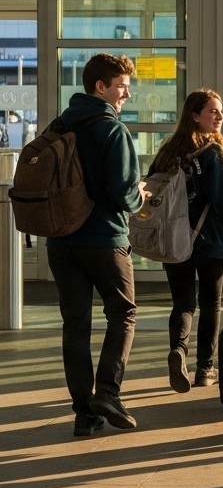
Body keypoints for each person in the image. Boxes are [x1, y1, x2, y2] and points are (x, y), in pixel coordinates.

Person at [46, 53, 146, 436]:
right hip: (104, 239)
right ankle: (107, 391)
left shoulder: (58, 125)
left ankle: (84, 413)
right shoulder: (111, 130)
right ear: (100, 87)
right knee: (123, 314)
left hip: (61, 241)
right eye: (121, 86)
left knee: (75, 325)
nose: (127, 93)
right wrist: (139, 194)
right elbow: (123, 194)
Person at [148, 89, 223, 393]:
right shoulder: (214, 153)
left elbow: (150, 194)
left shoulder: (166, 152)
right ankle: (205, 368)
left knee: (183, 303)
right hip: (209, 240)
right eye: (212, 111)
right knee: (211, 303)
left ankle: (179, 349)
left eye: (220, 111)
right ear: (194, 115)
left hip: (173, 240)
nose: (219, 117)